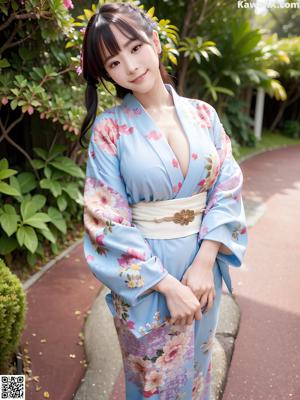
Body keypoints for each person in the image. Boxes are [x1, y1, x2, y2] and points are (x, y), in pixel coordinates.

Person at [79, 3, 248, 399]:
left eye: (135, 48)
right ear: (107, 74)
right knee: (154, 385)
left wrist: (206, 262)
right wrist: (168, 286)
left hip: (202, 271)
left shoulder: (204, 115)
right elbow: (105, 220)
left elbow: (227, 186)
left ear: (154, 42)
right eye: (115, 62)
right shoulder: (110, 130)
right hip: (148, 277)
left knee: (197, 373)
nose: (131, 66)